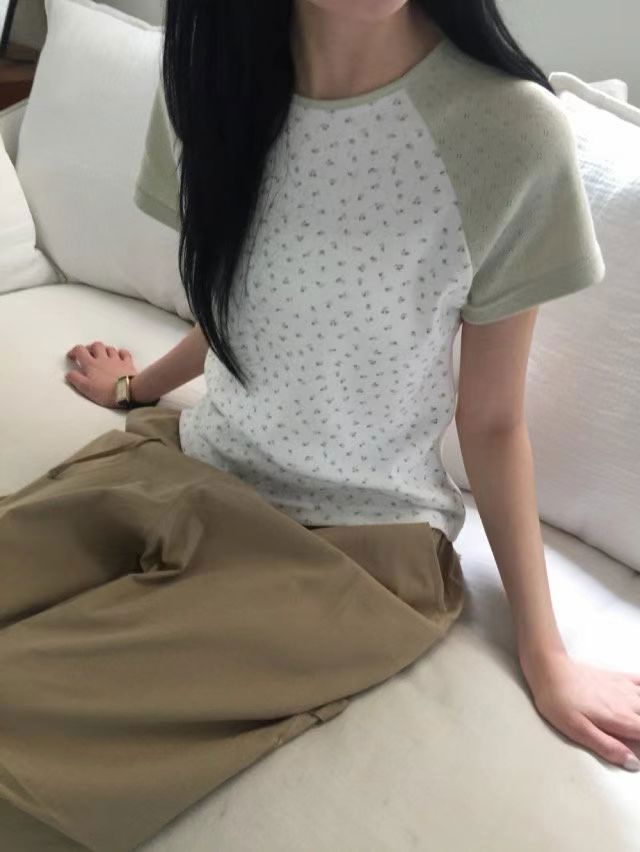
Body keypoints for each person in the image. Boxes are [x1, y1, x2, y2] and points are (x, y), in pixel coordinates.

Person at [1, 0, 639, 850]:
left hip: (358, 548)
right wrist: (135, 390)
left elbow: (491, 421)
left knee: (30, 713)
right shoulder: (207, 90)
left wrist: (546, 653)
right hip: (192, 466)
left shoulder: (510, 135)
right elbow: (249, 300)